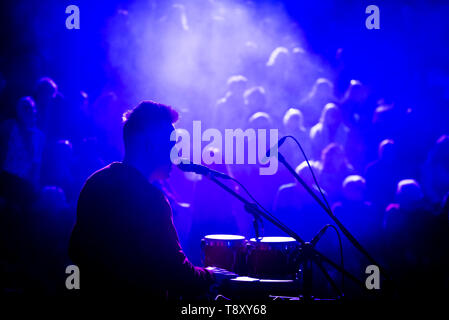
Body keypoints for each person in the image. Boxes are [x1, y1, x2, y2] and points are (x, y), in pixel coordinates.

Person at [68, 101, 214, 299]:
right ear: (149, 146)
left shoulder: (95, 182)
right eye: (171, 145)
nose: (177, 154)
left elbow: (76, 251)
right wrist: (211, 277)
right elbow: (176, 274)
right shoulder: (151, 200)